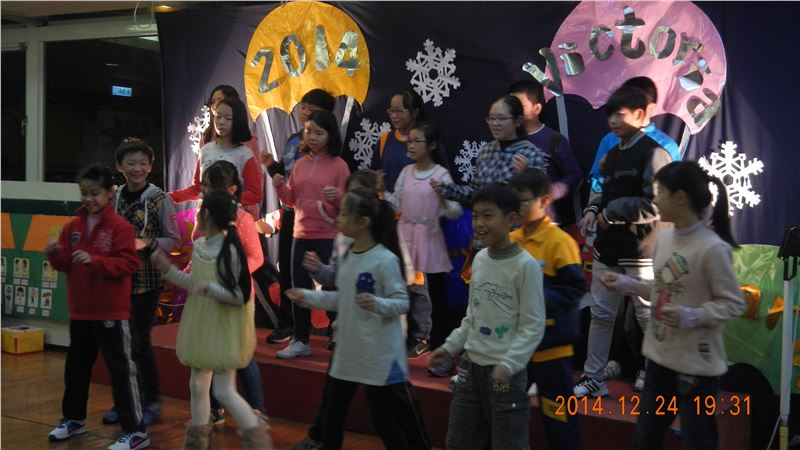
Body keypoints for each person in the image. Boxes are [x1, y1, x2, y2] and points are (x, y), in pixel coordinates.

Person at [601, 161, 745, 450]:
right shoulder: (664, 238)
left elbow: (733, 304)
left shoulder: (713, 248)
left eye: (659, 192)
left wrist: (691, 316)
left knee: (698, 441)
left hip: (697, 370)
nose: (654, 200)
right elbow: (663, 289)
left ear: (680, 198)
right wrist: (628, 285)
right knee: (646, 438)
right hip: (659, 360)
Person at [286, 187, 430, 450]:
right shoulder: (348, 256)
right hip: (349, 352)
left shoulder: (385, 260)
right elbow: (342, 300)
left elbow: (402, 302)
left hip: (378, 355)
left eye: (343, 214)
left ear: (363, 222)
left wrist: (377, 303)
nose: (338, 218)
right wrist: (307, 297)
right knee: (332, 417)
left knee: (385, 421)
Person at [428, 183, 545, 450]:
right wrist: (449, 347)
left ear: (511, 219)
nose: (479, 223)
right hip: (471, 368)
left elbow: (533, 326)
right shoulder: (479, 259)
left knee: (508, 444)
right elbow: (472, 316)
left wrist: (510, 363)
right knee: (458, 442)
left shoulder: (526, 266)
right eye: (476, 216)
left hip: (506, 374)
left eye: (488, 215)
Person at [574, 86, 673, 398]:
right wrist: (593, 210)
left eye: (620, 115)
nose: (613, 121)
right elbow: (605, 191)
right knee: (601, 315)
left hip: (640, 251)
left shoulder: (655, 152)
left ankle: (659, 381)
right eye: (610, 115)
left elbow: (657, 204)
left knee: (648, 316)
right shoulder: (613, 152)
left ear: (641, 115)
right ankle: (593, 378)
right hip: (608, 249)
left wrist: (612, 213)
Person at [152, 192, 272, 450]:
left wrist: (210, 289)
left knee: (223, 390)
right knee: (197, 384)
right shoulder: (200, 247)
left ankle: (257, 439)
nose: (196, 214)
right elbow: (193, 283)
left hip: (224, 326)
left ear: (205, 215)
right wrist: (168, 270)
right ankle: (196, 441)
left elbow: (239, 297)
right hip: (202, 323)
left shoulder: (231, 251)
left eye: (199, 210)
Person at [45, 163, 150, 450]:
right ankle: (73, 419)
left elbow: (128, 264)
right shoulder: (73, 227)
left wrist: (96, 262)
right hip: (81, 310)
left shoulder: (121, 228)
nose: (89, 199)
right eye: (84, 193)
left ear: (109, 192)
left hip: (111, 311)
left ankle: (136, 431)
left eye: (95, 193)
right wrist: (55, 254)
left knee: (121, 370)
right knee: (76, 368)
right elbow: (66, 263)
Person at [102, 138, 181, 427]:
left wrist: (144, 243)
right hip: (117, 281)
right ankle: (124, 402)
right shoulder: (114, 197)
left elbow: (175, 240)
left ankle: (152, 402)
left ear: (150, 166)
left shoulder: (158, 198)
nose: (137, 168)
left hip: (147, 281)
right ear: (119, 167)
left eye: (142, 163)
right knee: (118, 345)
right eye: (130, 163)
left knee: (140, 344)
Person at [509, 168, 586, 450]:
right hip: (516, 348)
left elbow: (574, 289)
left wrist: (537, 297)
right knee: (507, 414)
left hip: (552, 349)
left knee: (559, 419)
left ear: (544, 201)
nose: (517, 207)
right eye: (513, 200)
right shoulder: (511, 241)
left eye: (523, 200)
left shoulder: (560, 243)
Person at [371, 88, 448, 359]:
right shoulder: (384, 140)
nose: (394, 115)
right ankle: (396, 332)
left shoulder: (427, 142)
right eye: (391, 110)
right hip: (388, 220)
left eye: (399, 110)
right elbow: (376, 174)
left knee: (417, 281)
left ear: (414, 112)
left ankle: (421, 335)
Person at [273, 109, 350, 358]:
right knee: (300, 288)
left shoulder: (339, 166)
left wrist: (338, 196)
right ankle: (300, 340)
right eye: (309, 132)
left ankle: (339, 334)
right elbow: (291, 199)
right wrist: (279, 187)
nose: (313, 137)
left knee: (332, 286)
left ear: (330, 135)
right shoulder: (300, 164)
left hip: (329, 234)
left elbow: (350, 205)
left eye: (319, 132)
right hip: (301, 234)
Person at [262, 88, 336, 345]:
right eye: (304, 106)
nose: (305, 112)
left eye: (312, 110)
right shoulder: (294, 140)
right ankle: (289, 325)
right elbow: (287, 178)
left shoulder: (330, 151)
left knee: (328, 275)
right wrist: (272, 167)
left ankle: (336, 327)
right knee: (288, 273)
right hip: (291, 215)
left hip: (321, 220)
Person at [198, 160, 267, 426]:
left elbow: (256, 257)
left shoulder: (242, 218)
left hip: (234, 295)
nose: (206, 191)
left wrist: (229, 274)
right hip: (210, 296)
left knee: (242, 353)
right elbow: (200, 245)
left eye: (211, 186)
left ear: (232, 189)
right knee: (211, 351)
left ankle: (257, 409)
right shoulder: (205, 214)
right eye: (204, 185)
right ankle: (215, 408)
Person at [387, 121, 462, 356]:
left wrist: (443, 197)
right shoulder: (406, 172)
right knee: (405, 288)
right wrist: (381, 192)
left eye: (416, 141)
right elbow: (397, 203)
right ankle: (409, 336)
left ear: (431, 145)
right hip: (405, 237)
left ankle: (431, 340)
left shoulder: (441, 174)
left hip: (429, 238)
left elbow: (455, 212)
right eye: (409, 141)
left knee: (429, 292)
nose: (410, 145)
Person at [432, 95, 546, 205]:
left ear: (518, 121)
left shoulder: (530, 153)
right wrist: (446, 189)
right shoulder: (485, 151)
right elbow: (475, 194)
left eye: (501, 118)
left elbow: (539, 198)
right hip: (486, 217)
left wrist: (525, 177)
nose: (495, 123)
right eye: (491, 118)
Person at [170, 96, 264, 219]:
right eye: (218, 116)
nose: (221, 122)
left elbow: (255, 194)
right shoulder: (205, 150)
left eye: (228, 118)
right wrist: (172, 197)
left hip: (233, 219)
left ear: (238, 121)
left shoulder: (245, 154)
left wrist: (226, 200)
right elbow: (198, 188)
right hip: (206, 219)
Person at [587, 76, 680, 196]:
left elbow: (672, 189)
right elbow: (596, 184)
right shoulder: (609, 140)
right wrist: (604, 172)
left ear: (650, 108)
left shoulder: (667, 146)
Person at [509, 80, 582, 225]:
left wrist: (550, 192)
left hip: (546, 222)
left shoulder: (553, 139)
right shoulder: (507, 140)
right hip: (514, 223)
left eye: (520, 106)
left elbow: (575, 175)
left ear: (537, 108)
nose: (515, 111)